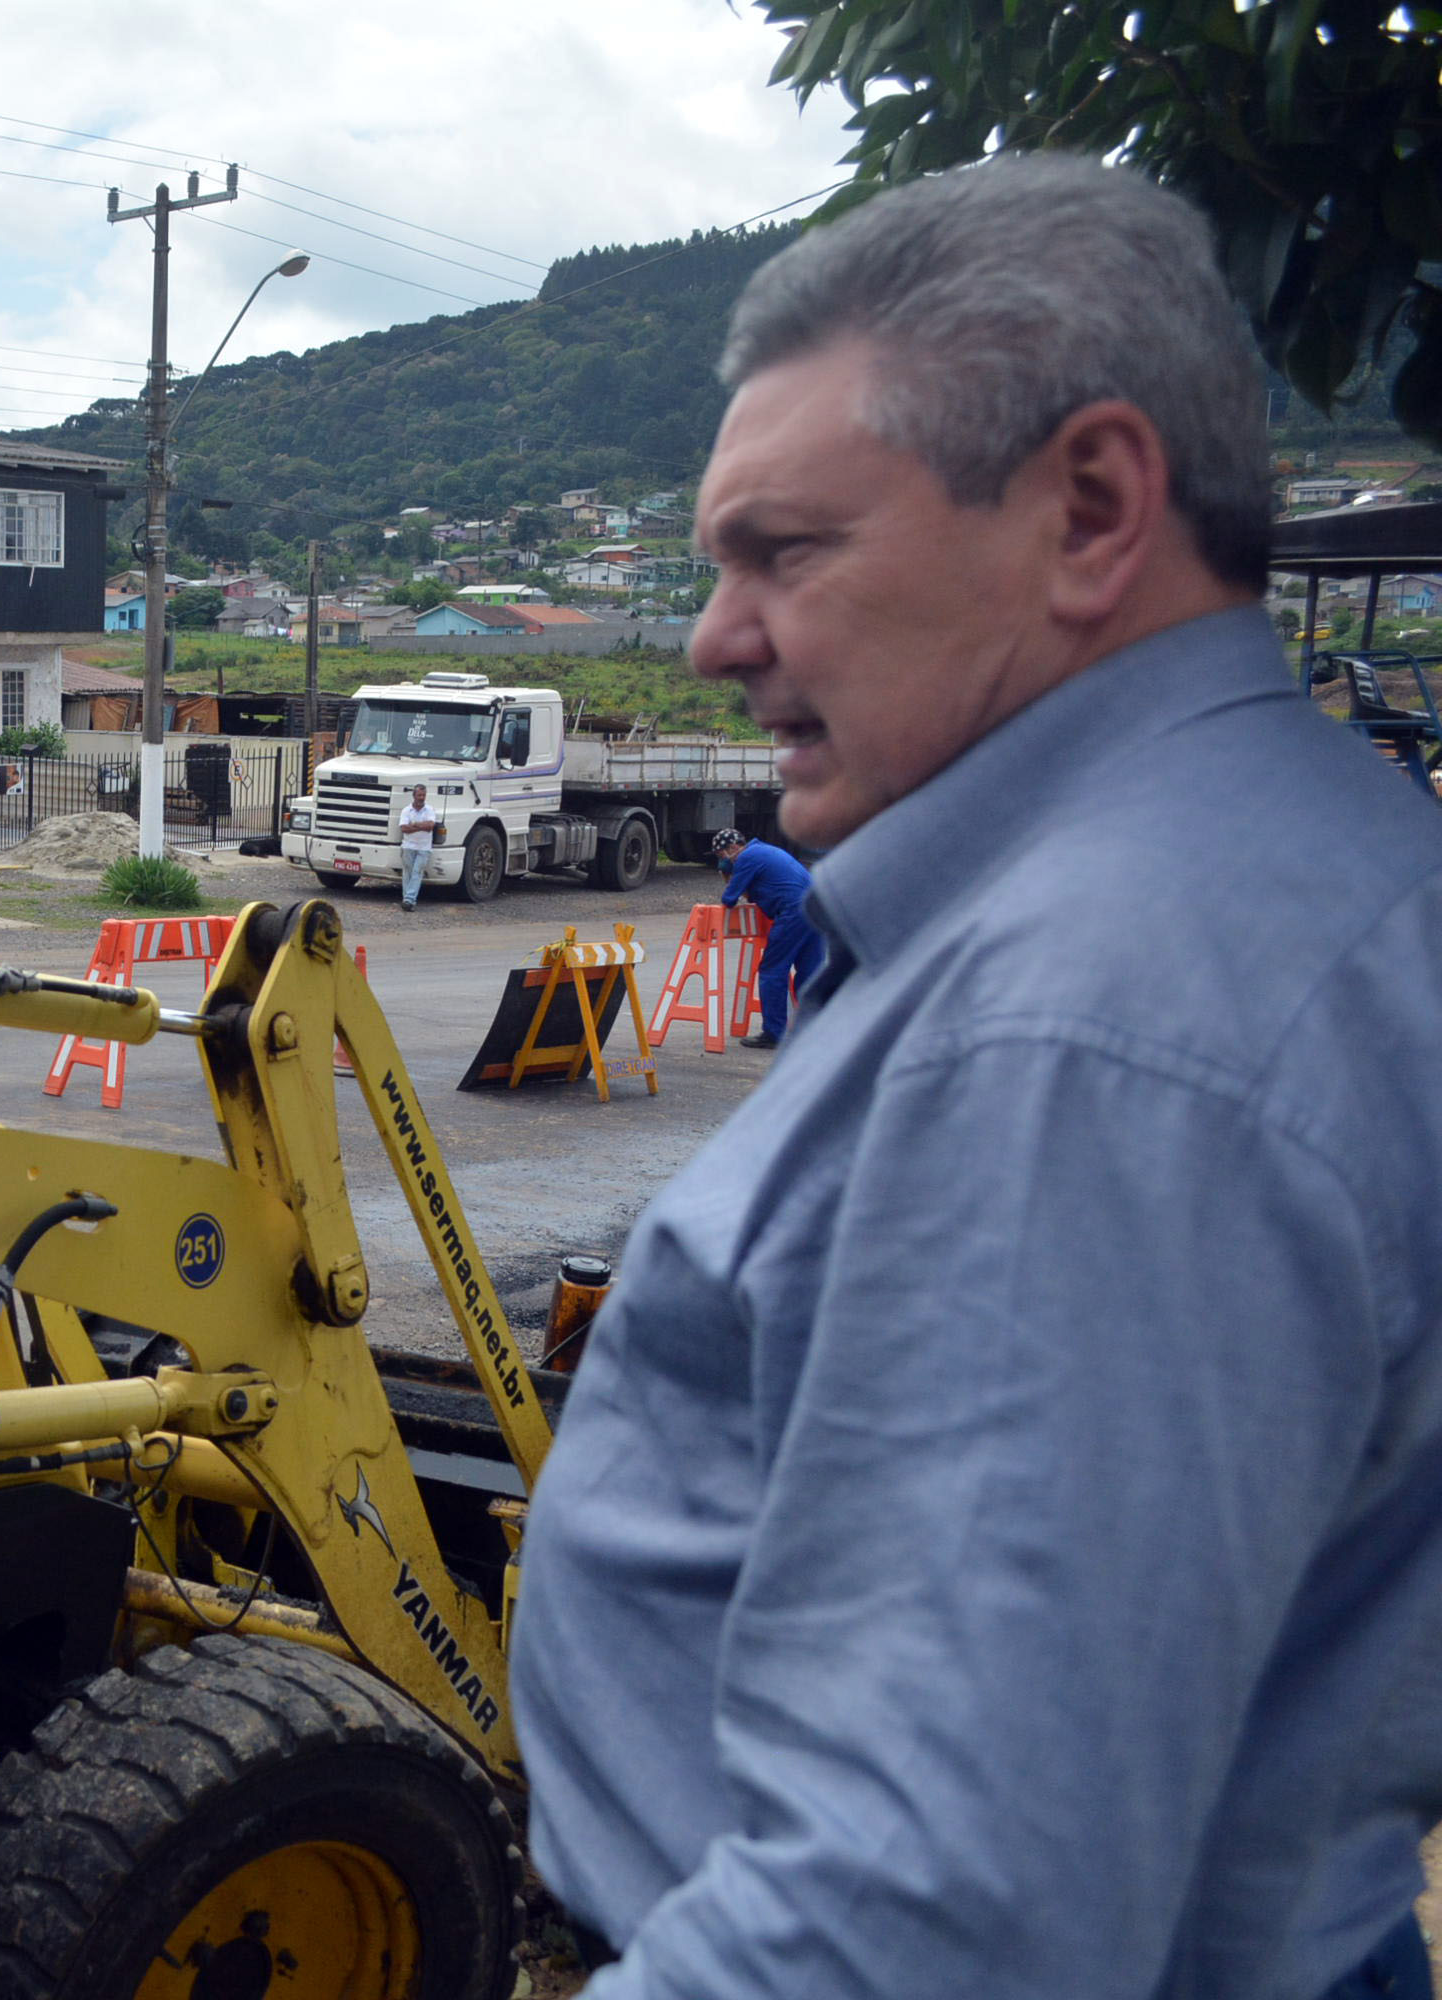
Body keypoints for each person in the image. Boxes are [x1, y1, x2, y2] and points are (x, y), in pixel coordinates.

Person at [512, 154, 1442, 2000]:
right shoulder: (1283, 866)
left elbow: (914, 1929)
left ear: (1091, 509)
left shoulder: (1095, 1027)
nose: (713, 641)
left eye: (785, 552)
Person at [709, 824, 820, 1047]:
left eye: (722, 855)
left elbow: (729, 898)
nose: (724, 860)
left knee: (772, 970)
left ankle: (773, 1033)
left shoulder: (747, 857)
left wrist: (730, 878)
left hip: (793, 911)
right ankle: (817, 1029)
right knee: (811, 972)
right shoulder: (766, 851)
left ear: (733, 847)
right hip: (817, 906)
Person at [396, 783, 440, 907]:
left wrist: (414, 825)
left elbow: (431, 826)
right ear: (414, 795)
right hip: (408, 846)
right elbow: (404, 828)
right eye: (419, 795)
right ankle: (408, 900)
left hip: (424, 847)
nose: (421, 797)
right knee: (408, 873)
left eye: (424, 795)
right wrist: (422, 826)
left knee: (417, 872)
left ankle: (409, 899)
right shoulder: (406, 810)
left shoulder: (430, 809)